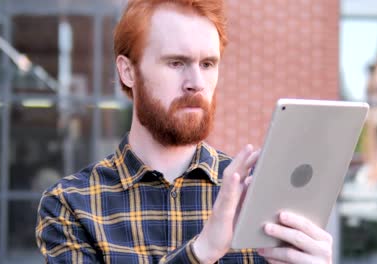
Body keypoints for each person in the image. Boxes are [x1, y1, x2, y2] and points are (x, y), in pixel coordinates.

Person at [35, 0, 333, 263]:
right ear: (128, 72)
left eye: (207, 64)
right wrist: (201, 252)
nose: (196, 82)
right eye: (176, 62)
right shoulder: (71, 205)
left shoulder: (257, 195)